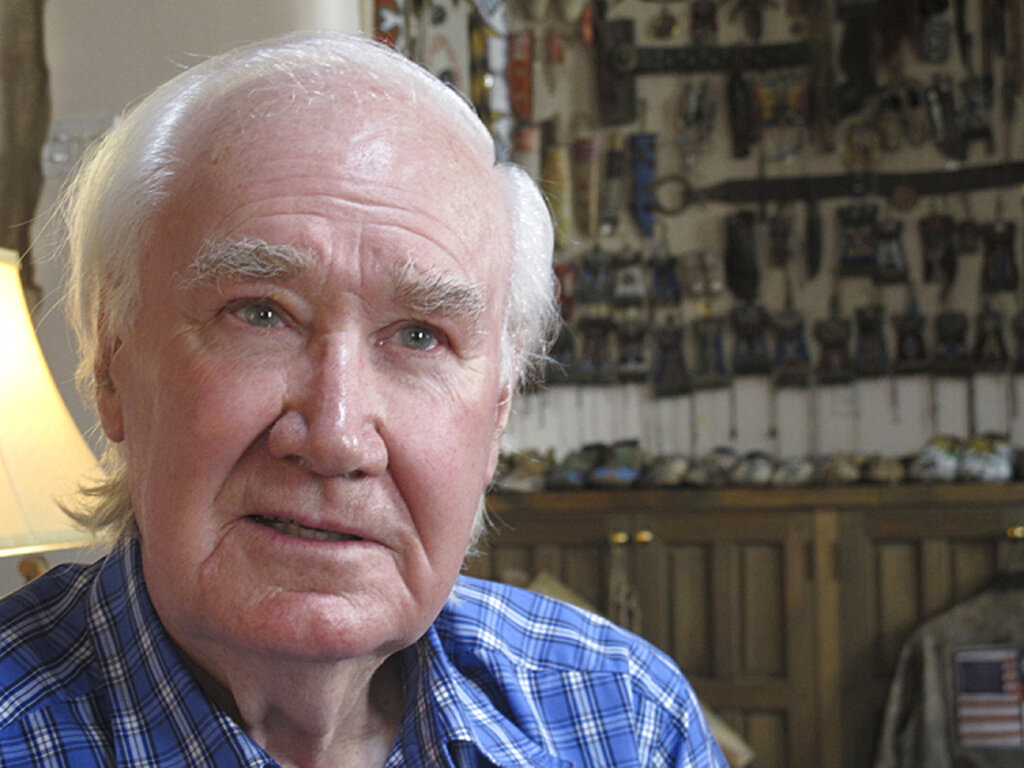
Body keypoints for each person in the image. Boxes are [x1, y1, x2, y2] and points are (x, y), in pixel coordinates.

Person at [0, 32, 727, 768]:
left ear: (499, 408)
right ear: (111, 361)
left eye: (419, 336)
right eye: (260, 313)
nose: (337, 436)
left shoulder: (627, 722)